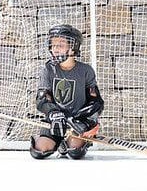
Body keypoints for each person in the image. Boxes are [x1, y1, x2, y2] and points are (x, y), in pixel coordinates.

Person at [30, 24, 103, 160]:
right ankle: (58, 142)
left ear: (73, 47)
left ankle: (73, 142)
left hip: (76, 121)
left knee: (75, 151)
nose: (55, 49)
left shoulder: (86, 70)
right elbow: (42, 98)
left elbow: (96, 101)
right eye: (53, 45)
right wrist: (53, 113)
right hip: (56, 121)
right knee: (39, 151)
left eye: (61, 45)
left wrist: (84, 121)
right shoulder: (48, 69)